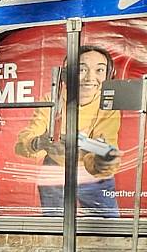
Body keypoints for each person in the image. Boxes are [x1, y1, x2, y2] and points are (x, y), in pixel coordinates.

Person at [14, 45, 124, 215]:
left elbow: (107, 150)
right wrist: (39, 143)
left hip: (92, 174)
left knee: (108, 229)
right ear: (66, 75)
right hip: (55, 171)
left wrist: (98, 154)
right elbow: (23, 144)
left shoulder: (108, 105)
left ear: (109, 76)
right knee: (54, 228)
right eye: (81, 70)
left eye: (99, 70)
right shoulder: (51, 100)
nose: (90, 78)